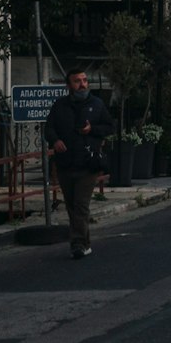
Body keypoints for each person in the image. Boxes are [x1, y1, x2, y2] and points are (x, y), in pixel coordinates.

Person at [45, 68, 114, 259]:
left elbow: (109, 126)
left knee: (81, 205)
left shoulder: (97, 104)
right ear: (69, 86)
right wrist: (56, 141)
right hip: (66, 163)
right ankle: (85, 242)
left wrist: (92, 130)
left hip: (87, 164)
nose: (82, 84)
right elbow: (49, 128)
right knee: (72, 206)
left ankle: (77, 244)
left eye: (84, 80)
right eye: (77, 81)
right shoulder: (60, 106)